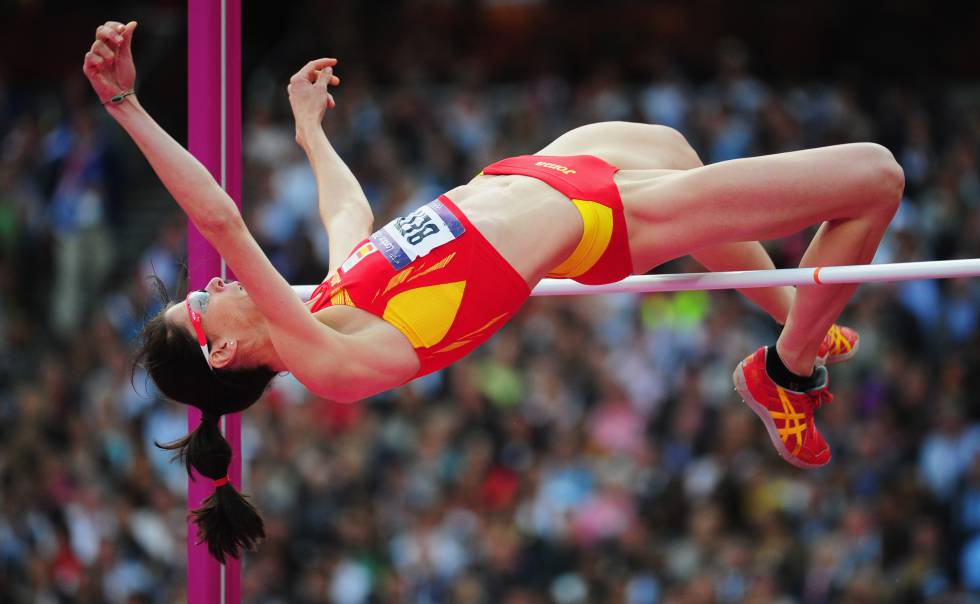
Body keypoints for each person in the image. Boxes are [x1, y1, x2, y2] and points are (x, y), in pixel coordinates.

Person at [83, 21, 902, 560]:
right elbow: (222, 221)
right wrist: (127, 105)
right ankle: (787, 370)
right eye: (198, 300)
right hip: (602, 221)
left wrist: (310, 132)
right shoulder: (329, 356)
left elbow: (348, 209)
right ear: (222, 347)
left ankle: (800, 317)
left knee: (680, 148)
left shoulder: (329, 300)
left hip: (550, 165)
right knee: (875, 178)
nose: (214, 281)